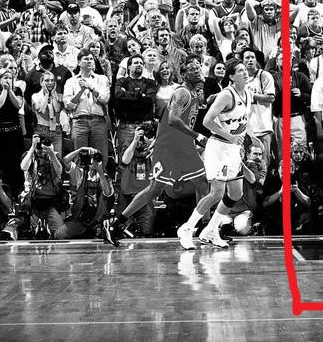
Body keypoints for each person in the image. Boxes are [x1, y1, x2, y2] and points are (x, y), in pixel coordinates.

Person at [104, 55, 209, 246]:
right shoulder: (182, 92)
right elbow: (172, 120)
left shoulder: (194, 93)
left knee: (203, 184)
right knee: (153, 190)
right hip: (170, 147)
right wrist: (198, 136)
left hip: (184, 146)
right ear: (183, 74)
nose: (197, 71)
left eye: (198, 68)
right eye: (192, 69)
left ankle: (206, 228)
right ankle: (116, 225)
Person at [177, 59, 252, 249]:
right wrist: (231, 137)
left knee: (236, 193)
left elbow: (242, 121)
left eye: (245, 69)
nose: (245, 72)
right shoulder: (226, 95)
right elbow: (208, 121)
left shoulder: (248, 93)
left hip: (233, 149)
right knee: (216, 193)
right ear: (231, 76)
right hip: (219, 147)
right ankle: (187, 228)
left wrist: (247, 138)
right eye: (240, 70)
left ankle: (211, 230)